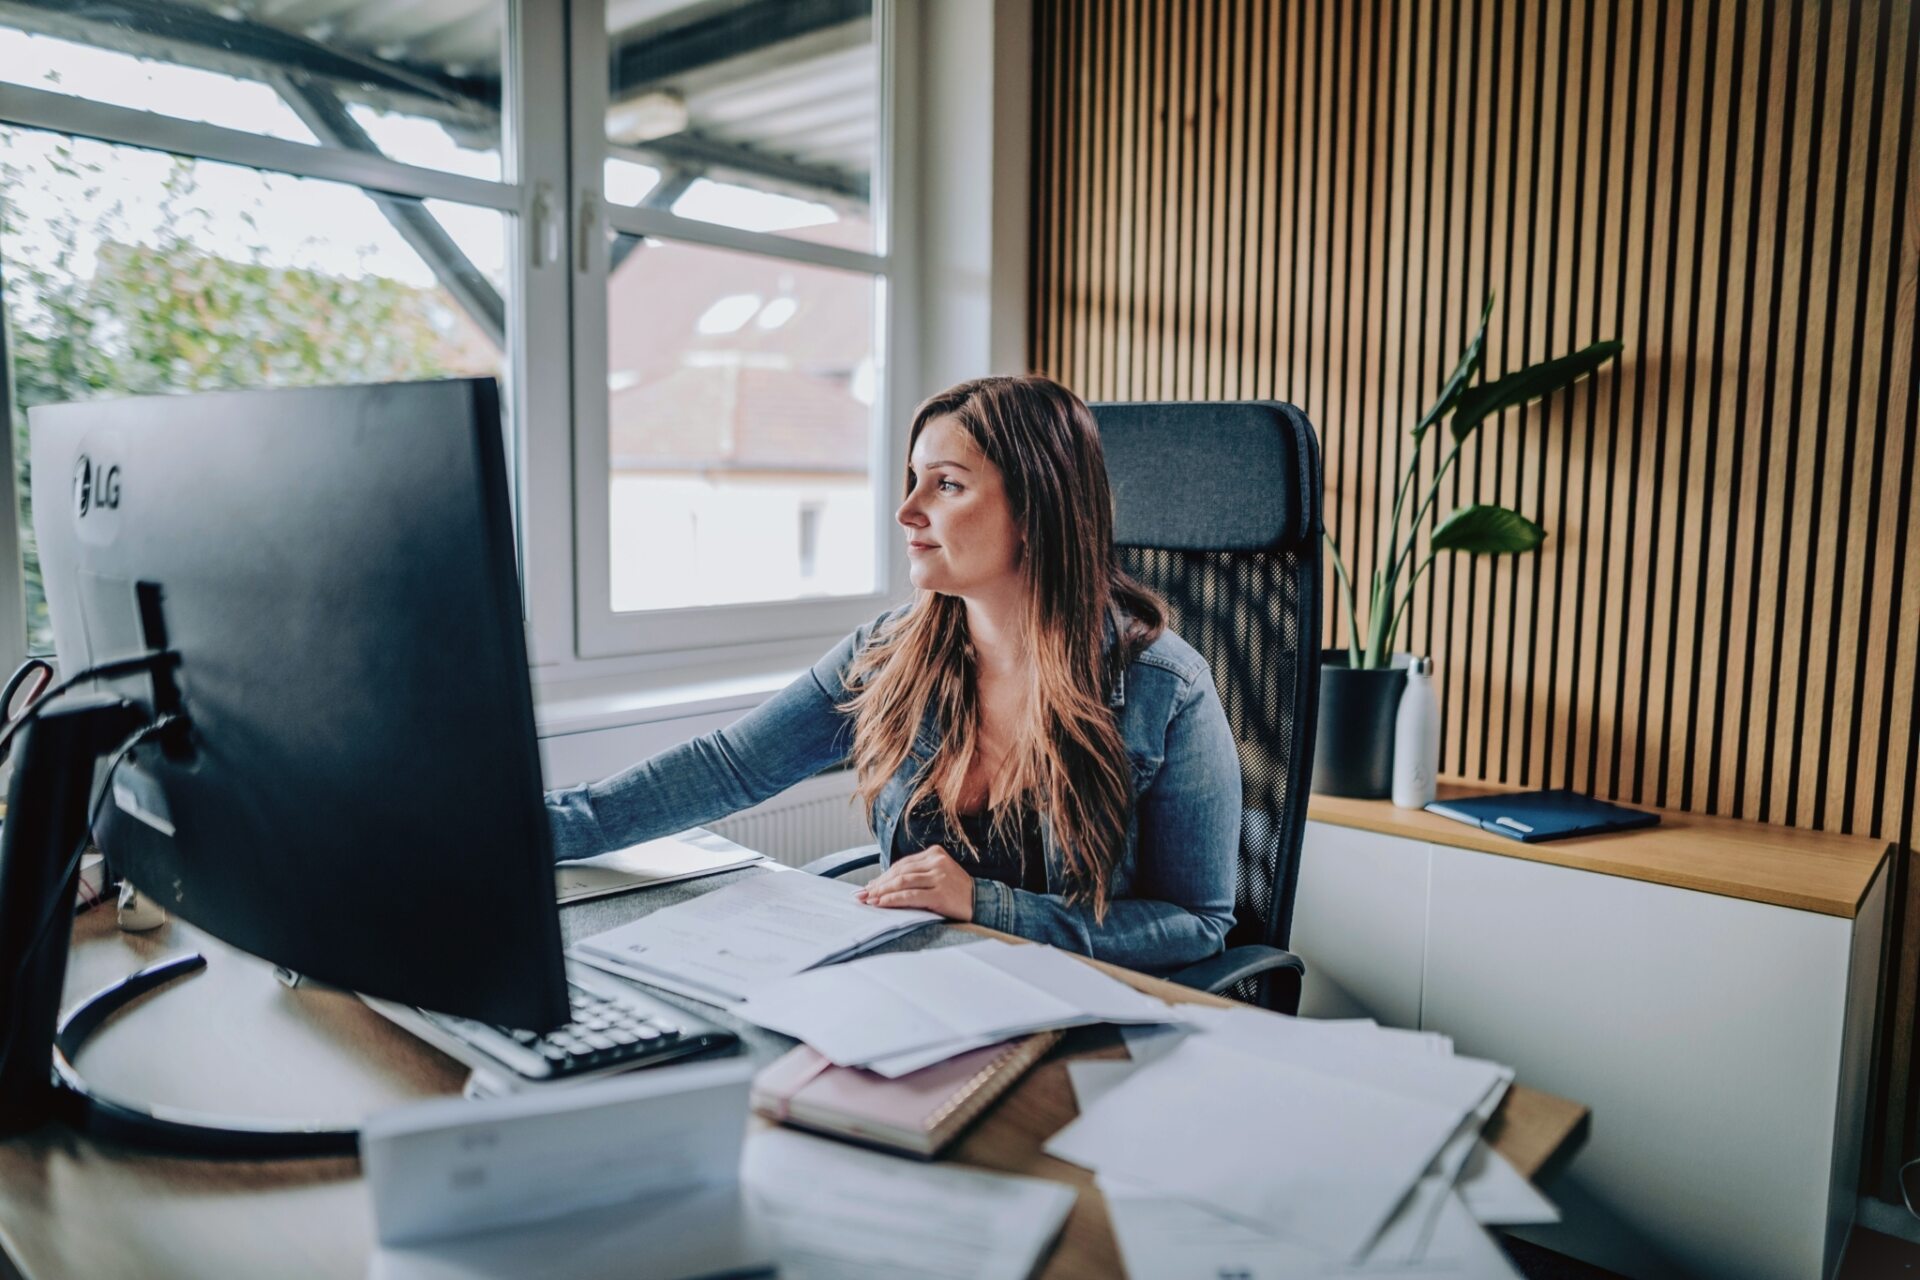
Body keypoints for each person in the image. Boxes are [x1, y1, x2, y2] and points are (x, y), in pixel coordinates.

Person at [545, 375, 1241, 974]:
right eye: (914, 481)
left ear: (1035, 510)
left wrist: (988, 905)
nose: (908, 512)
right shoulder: (890, 652)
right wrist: (531, 833)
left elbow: (1197, 924)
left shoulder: (1165, 689)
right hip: (911, 993)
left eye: (946, 485)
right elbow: (730, 767)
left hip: (1077, 1018)